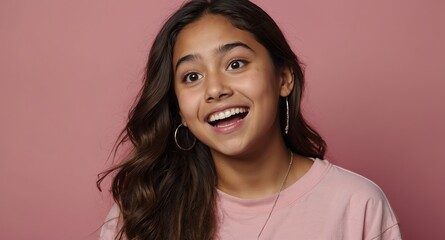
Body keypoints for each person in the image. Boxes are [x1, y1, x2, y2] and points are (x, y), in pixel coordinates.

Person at [98, 0, 402, 239]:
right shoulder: (143, 213)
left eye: (235, 63)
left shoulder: (357, 206)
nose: (215, 89)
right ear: (180, 111)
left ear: (283, 78)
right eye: (192, 76)